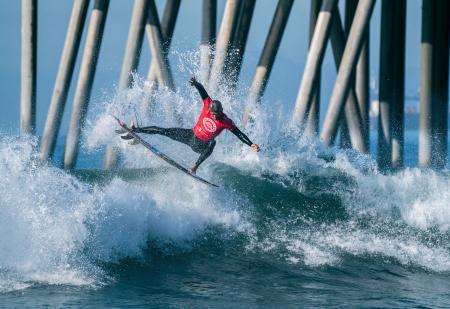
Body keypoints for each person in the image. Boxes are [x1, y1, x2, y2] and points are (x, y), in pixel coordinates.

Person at [119, 77, 260, 173]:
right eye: (212, 113)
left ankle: (195, 166)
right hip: (190, 135)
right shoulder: (207, 105)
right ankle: (135, 130)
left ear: (221, 111)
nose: (213, 115)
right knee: (163, 130)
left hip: (201, 146)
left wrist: (251, 143)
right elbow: (203, 92)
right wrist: (196, 84)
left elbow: (239, 133)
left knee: (213, 143)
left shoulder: (226, 121)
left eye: (216, 114)